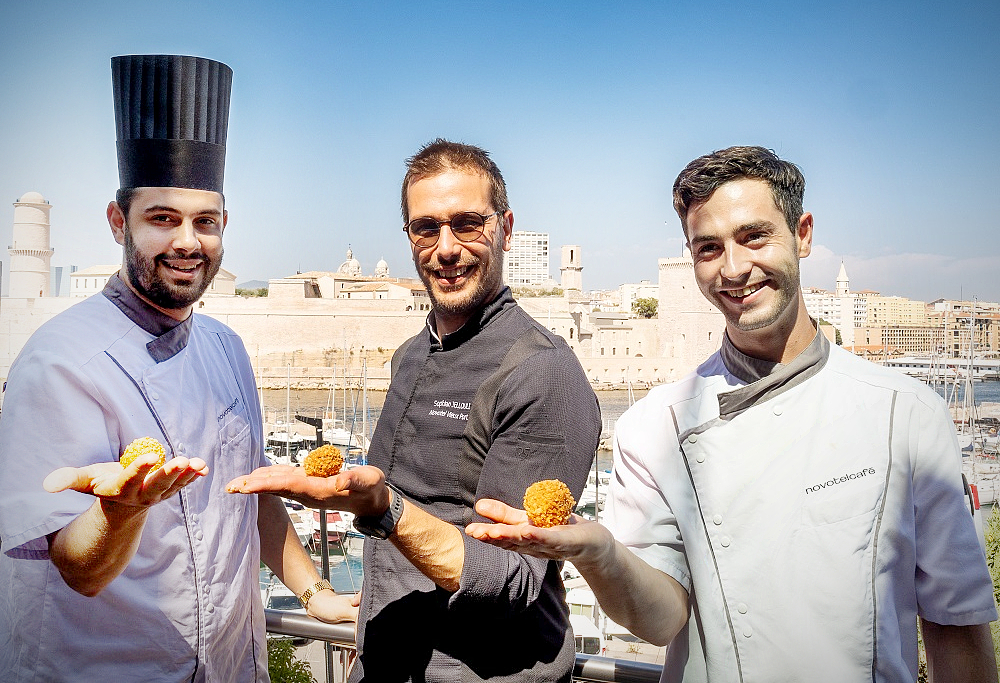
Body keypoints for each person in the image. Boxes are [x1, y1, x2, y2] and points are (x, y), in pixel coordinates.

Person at [467, 146, 999, 682]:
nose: (735, 268)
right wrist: (599, 553)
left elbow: (956, 626)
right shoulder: (655, 426)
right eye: (708, 248)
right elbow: (659, 619)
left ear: (803, 234)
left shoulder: (905, 416)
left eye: (754, 236)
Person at [0, 54, 354, 683]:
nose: (187, 242)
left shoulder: (226, 348)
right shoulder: (59, 363)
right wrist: (121, 511)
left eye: (205, 221)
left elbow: (255, 496)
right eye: (162, 219)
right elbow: (77, 568)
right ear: (118, 222)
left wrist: (313, 594)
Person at [228, 139, 602, 681]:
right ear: (408, 237)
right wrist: (333, 604)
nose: (446, 248)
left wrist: (383, 508)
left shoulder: (543, 374)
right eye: (426, 228)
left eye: (468, 223)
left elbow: (514, 577)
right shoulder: (411, 354)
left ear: (506, 227)